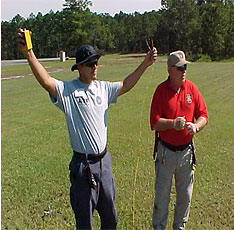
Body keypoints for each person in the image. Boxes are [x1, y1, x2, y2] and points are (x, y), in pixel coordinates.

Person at [16, 28, 157, 229]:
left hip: (104, 163)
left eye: (96, 62)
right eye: (91, 64)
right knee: (85, 222)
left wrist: (145, 63)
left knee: (110, 218)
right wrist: (29, 54)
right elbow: (47, 82)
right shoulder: (68, 91)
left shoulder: (103, 88)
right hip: (82, 167)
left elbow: (126, 84)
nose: (95, 67)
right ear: (79, 67)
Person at [150, 50, 208, 230]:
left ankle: (179, 227)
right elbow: (155, 122)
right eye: (180, 68)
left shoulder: (191, 88)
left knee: (185, 196)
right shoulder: (161, 91)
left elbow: (203, 115)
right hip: (166, 153)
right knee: (162, 196)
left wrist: (196, 126)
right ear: (169, 70)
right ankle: (159, 227)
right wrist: (173, 123)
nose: (184, 71)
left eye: (185, 67)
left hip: (186, 153)